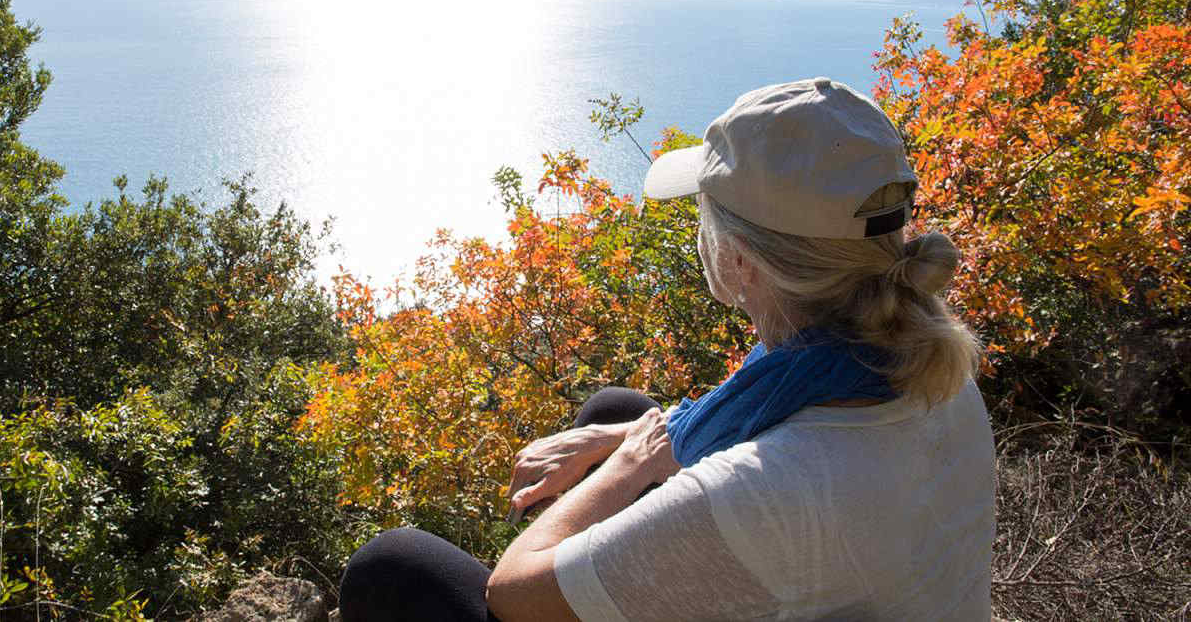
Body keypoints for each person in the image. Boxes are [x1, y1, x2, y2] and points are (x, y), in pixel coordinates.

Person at [339, 77, 996, 621]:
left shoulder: (780, 487)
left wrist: (625, 466)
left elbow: (511, 590)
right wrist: (617, 437)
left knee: (393, 567)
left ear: (741, 261)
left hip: (788, 534)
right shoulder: (927, 366)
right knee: (614, 408)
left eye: (704, 215)